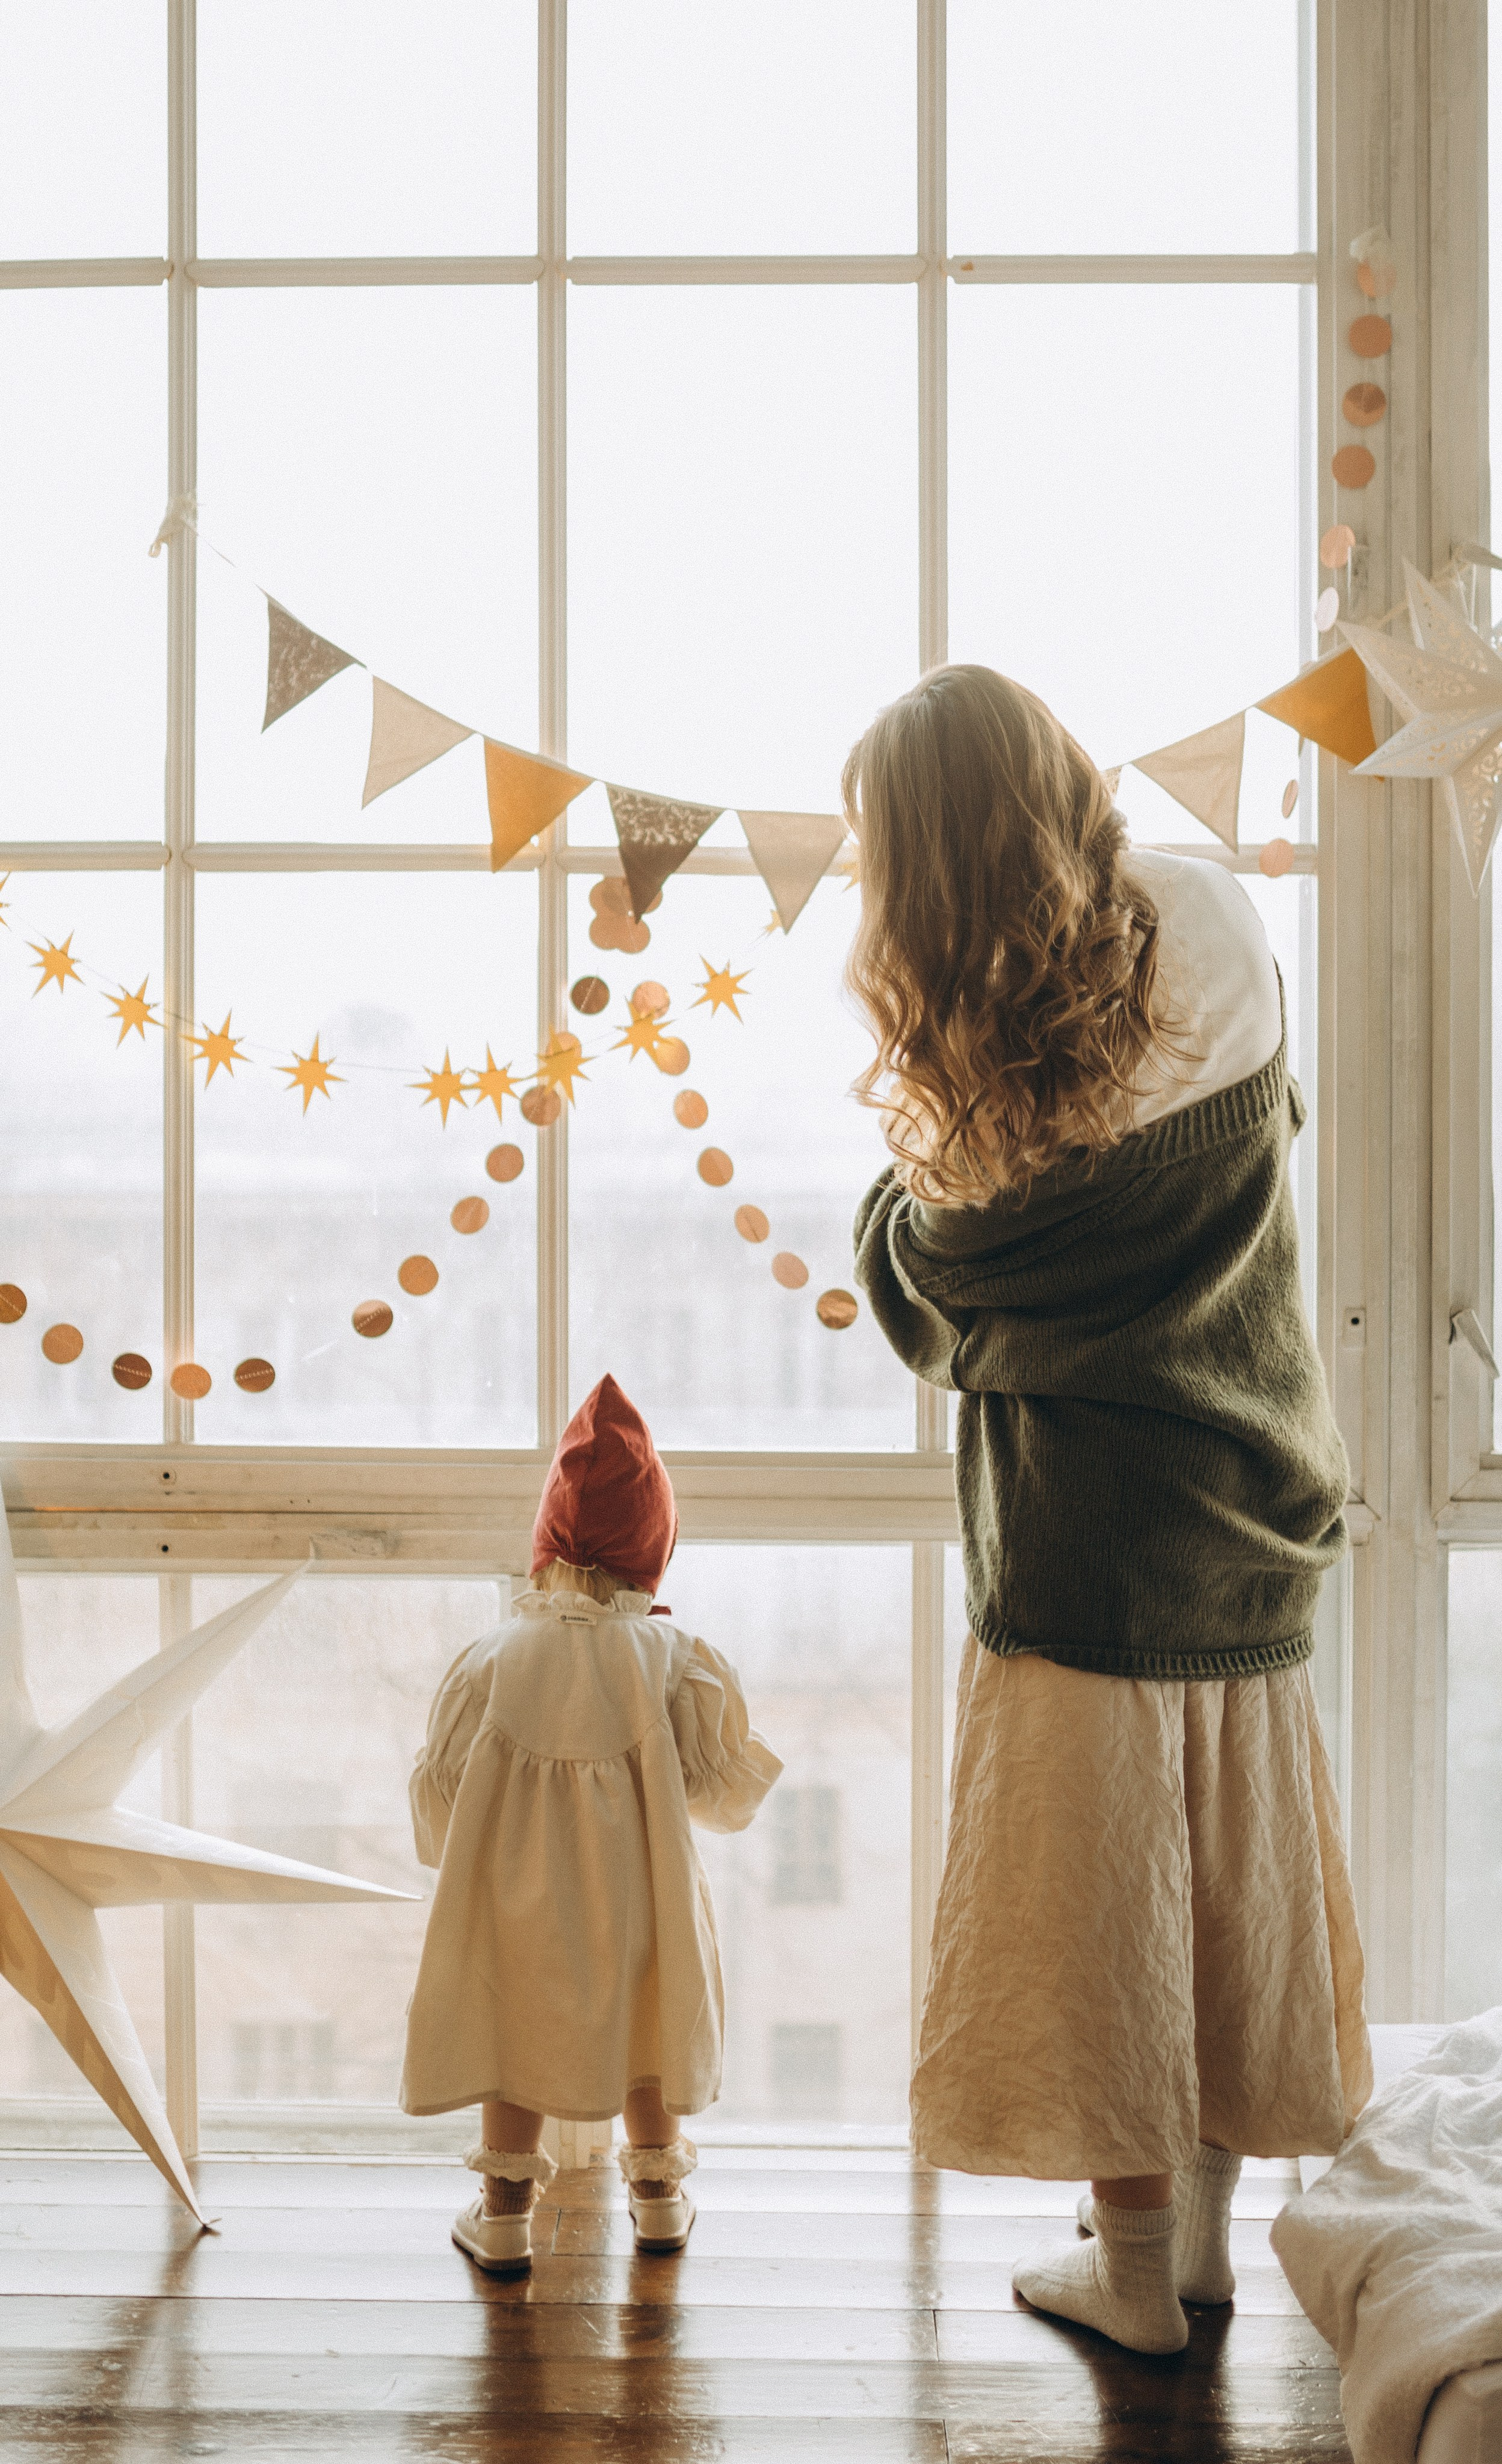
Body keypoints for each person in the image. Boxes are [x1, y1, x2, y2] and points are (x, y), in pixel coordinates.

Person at [847, 664, 1371, 2356]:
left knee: (1111, 1924)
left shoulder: (980, 1085)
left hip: (1083, 1557)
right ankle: (1204, 2252)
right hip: (1249, 1518)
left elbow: (924, 1293)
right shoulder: (1214, 919)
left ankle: (1134, 2285)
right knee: (1221, 1897)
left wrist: (901, 1177)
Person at [400, 1372, 781, 2275]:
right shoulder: (673, 1657)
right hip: (640, 1901)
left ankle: (502, 2218)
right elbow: (724, 1793)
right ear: (654, 1548)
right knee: (649, 2032)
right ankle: (657, 2202)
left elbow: (443, 1803)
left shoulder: (490, 1657)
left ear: (544, 1548)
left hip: (516, 1907)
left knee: (509, 2033)